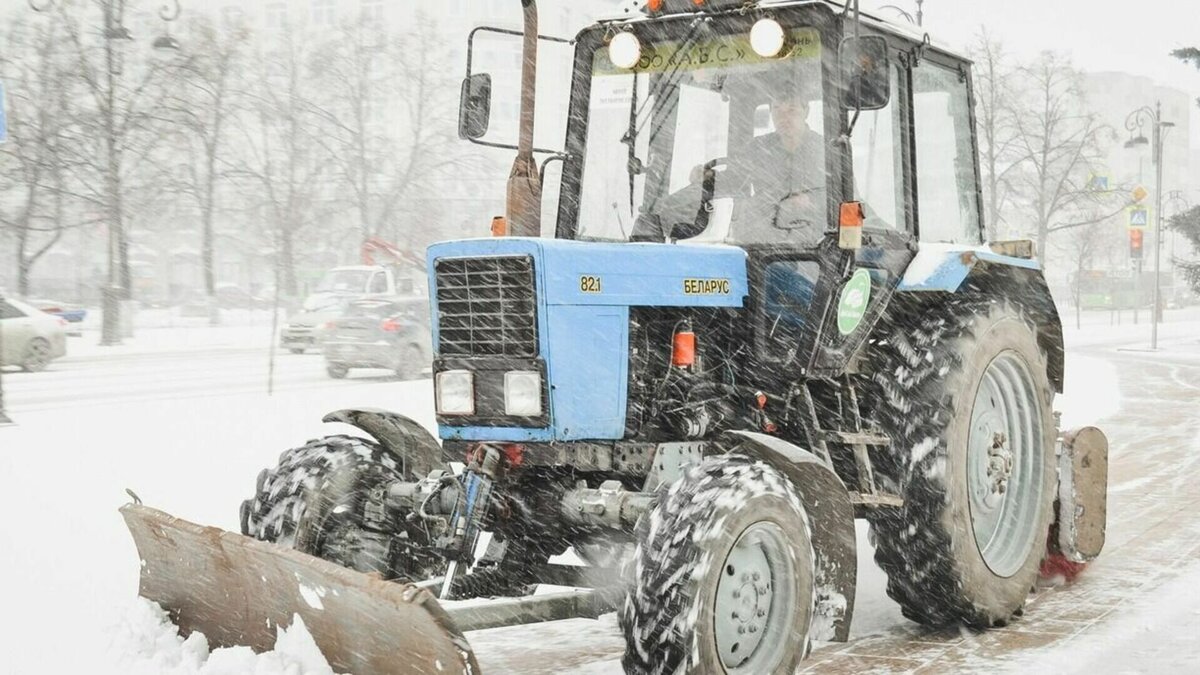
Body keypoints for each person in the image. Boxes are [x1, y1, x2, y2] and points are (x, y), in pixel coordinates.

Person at [726, 84, 827, 244]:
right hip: (764, 242)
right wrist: (709, 177)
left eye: (791, 110)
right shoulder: (758, 147)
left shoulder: (825, 149)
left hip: (814, 245)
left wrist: (811, 202)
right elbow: (733, 178)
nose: (783, 117)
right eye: (777, 110)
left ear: (806, 111)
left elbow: (846, 196)